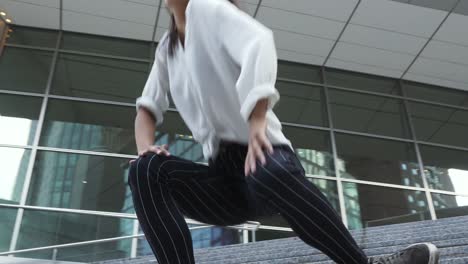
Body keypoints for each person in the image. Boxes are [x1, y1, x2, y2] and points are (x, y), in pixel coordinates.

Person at [127, 0, 440, 263]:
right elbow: (146, 109)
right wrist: (145, 149)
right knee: (145, 169)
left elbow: (258, 42)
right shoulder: (167, 48)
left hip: (264, 157)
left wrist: (256, 124)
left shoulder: (209, 8)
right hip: (224, 182)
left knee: (266, 172)